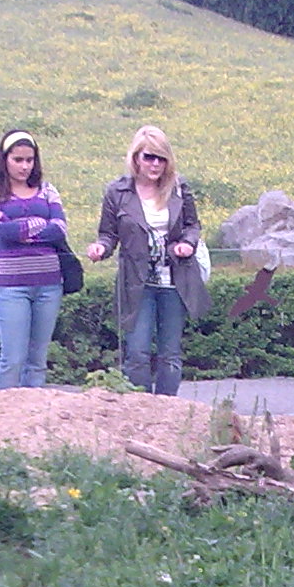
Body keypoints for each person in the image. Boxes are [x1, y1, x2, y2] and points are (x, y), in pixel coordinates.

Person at [85, 125, 210, 396]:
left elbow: (192, 225)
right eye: (149, 157)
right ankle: (139, 408)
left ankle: (169, 409)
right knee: (137, 352)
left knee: (170, 354)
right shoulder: (117, 191)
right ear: (136, 158)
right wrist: (100, 248)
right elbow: (108, 234)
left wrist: (187, 244)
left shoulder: (179, 188)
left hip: (175, 281)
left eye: (161, 158)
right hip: (136, 283)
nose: (155, 164)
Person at [0, 129, 67, 390]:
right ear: (4, 160)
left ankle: (35, 411)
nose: (24, 166)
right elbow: (1, 232)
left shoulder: (48, 190)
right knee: (13, 358)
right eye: (18, 160)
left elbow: (59, 229)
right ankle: (3, 411)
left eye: (29, 160)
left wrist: (21, 229)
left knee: (37, 360)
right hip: (11, 286)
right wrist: (40, 224)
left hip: (49, 284)